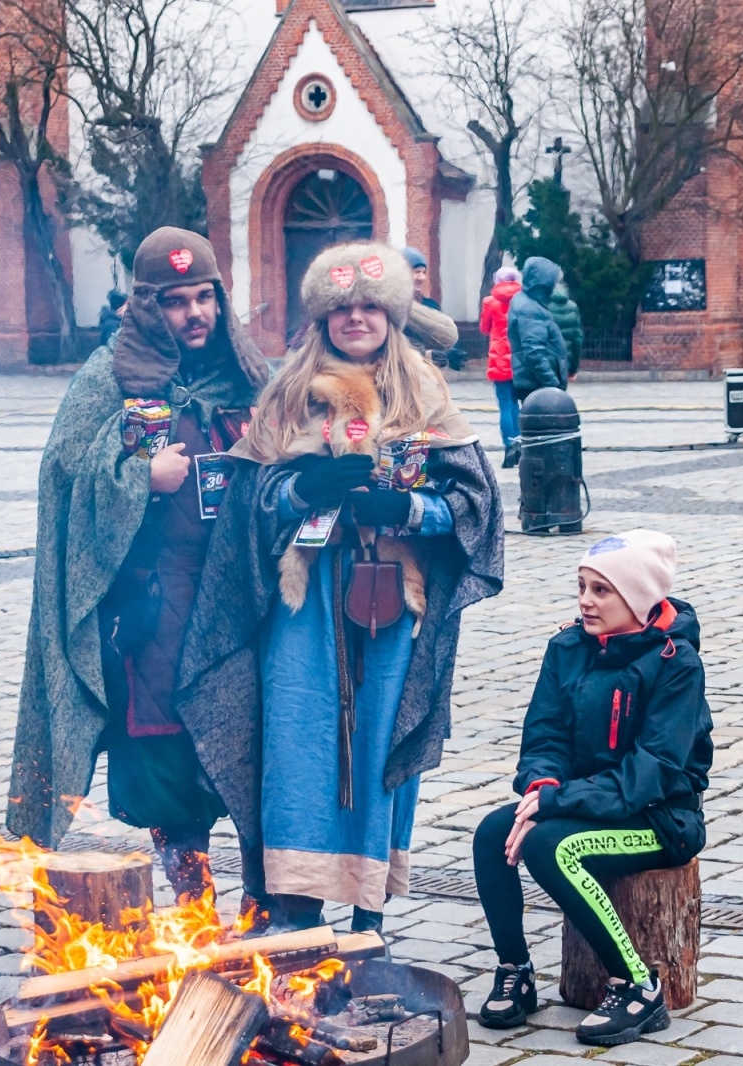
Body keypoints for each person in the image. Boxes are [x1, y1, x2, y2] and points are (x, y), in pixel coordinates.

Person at [226, 242, 504, 934]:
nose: (355, 318)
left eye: (369, 307)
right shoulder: (286, 393)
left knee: (380, 739)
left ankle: (368, 916)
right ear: (322, 316)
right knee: (298, 738)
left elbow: (477, 504)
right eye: (341, 307)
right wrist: (298, 490)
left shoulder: (424, 392)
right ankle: (298, 905)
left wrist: (411, 511)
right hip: (305, 596)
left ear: (390, 314)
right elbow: (246, 503)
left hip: (392, 597)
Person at [9, 228, 274, 910]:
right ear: (147, 307)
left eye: (205, 297)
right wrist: (135, 477)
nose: (195, 314)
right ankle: (194, 903)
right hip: (154, 610)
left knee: (250, 750)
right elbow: (63, 476)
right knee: (167, 762)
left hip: (242, 604)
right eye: (177, 301)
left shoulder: (251, 379)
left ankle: (264, 905)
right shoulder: (108, 379)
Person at [473, 530, 710, 1047]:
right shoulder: (566, 648)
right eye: (581, 585)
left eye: (601, 590)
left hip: (661, 818)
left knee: (551, 846)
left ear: (639, 599)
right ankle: (515, 969)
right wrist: (543, 788)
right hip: (586, 802)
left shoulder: (676, 664)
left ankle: (638, 987)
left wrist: (556, 804)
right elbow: (544, 736)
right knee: (494, 832)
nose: (585, 600)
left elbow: (652, 772)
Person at [480, 266, 522, 468]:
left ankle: (509, 445)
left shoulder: (490, 302)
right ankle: (520, 442)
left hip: (498, 359)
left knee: (505, 404)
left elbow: (484, 328)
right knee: (517, 403)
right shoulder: (522, 300)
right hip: (519, 358)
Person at [510, 257, 570, 399]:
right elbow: (534, 353)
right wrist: (553, 384)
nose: (557, 285)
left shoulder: (531, 303)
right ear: (544, 282)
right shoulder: (530, 308)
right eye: (555, 281)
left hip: (535, 383)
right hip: (537, 385)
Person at [398, 246, 461, 360]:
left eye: (424, 272)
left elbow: (443, 336)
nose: (421, 278)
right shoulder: (390, 308)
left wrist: (448, 353)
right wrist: (427, 354)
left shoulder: (430, 305)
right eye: (416, 272)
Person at [550, 281, 586, 379]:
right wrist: (574, 368)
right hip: (564, 363)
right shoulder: (572, 306)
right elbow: (577, 340)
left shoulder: (540, 305)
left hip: (543, 362)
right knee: (559, 393)